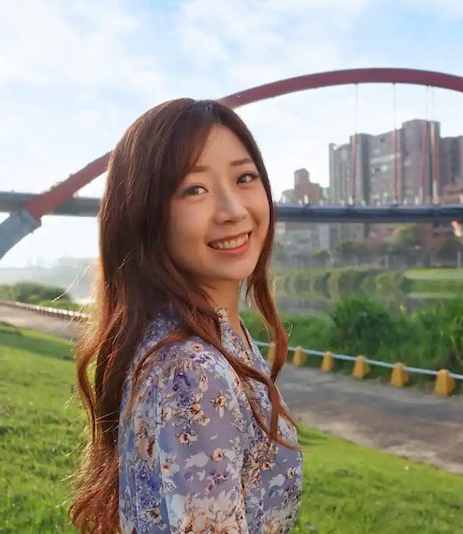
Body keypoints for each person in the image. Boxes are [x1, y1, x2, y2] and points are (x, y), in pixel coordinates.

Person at [69, 98, 303, 533]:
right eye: (195, 189)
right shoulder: (193, 372)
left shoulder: (202, 335)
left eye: (245, 177)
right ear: (146, 215)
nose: (233, 209)